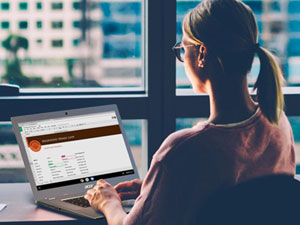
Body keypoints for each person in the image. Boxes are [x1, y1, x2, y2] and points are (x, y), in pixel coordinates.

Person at [84, 0, 295, 224]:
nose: (183, 59)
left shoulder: (184, 151)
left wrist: (108, 202)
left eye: (184, 49)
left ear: (202, 53)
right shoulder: (278, 124)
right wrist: (158, 190)